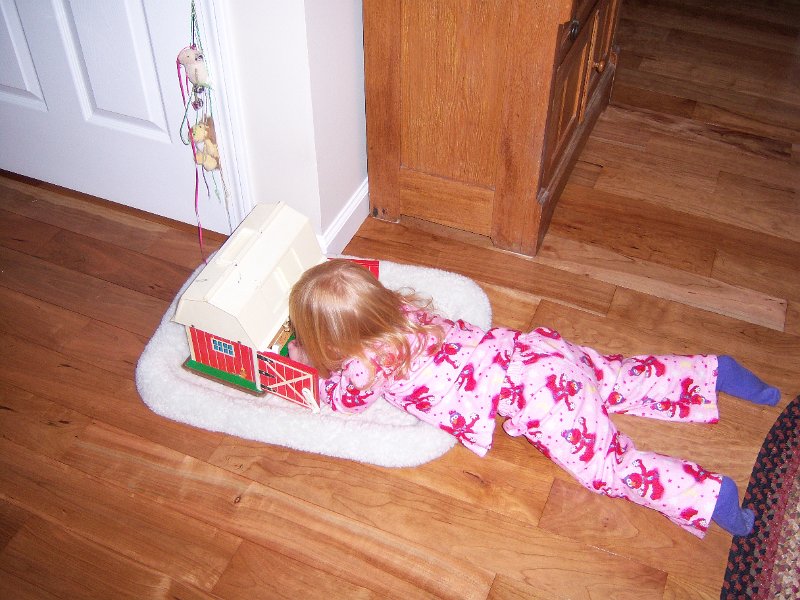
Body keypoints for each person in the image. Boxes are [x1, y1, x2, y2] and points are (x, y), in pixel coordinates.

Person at [288, 260, 781, 538]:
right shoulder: (402, 308)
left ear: (335, 342)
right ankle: (712, 373)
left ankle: (708, 495)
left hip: (539, 398)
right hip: (535, 351)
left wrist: (307, 360)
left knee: (609, 468)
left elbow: (340, 400)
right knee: (615, 377)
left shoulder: (363, 368)